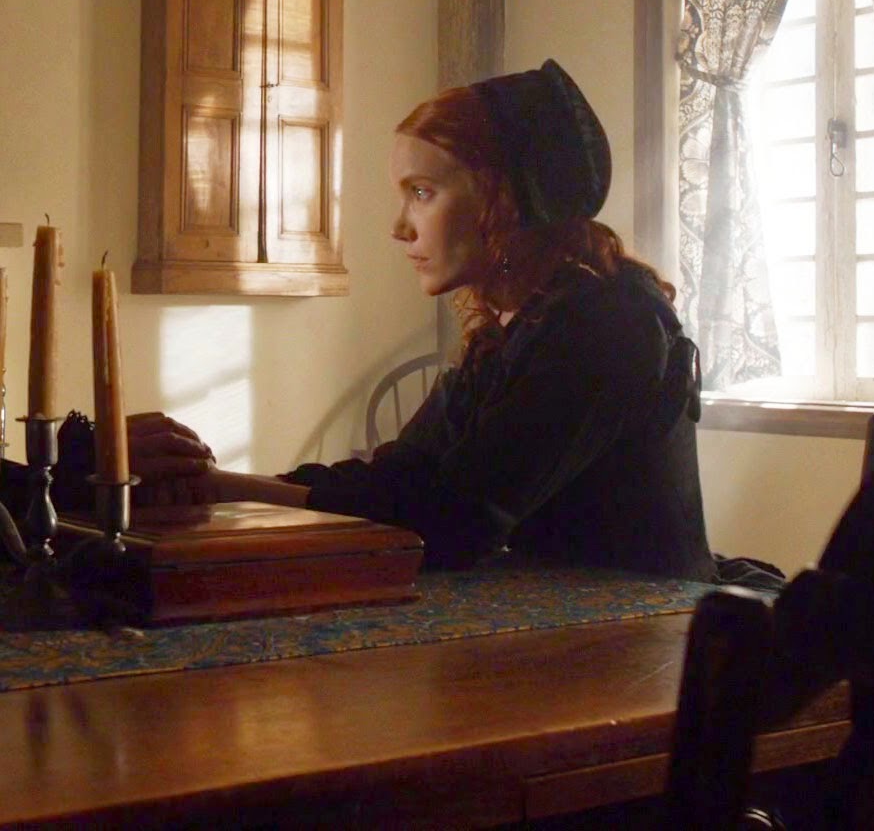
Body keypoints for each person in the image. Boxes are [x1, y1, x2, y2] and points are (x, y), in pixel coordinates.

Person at [127, 61, 781, 587]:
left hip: (649, 642)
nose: (398, 227)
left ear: (503, 199)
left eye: (422, 192)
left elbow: (455, 522)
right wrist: (221, 484)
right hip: (560, 627)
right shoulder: (515, 329)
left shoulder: (607, 324)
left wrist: (229, 489)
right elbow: (402, 479)